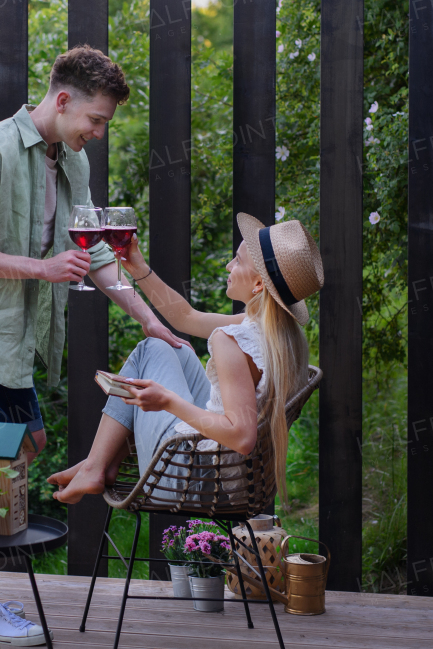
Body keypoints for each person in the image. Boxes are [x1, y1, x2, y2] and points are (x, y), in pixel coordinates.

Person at [0, 45, 189, 647]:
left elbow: (96, 254)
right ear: (62, 101)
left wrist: (148, 319)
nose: (99, 132)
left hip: (8, 329)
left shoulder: (71, 164)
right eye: (97, 119)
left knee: (26, 443)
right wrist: (40, 269)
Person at [48, 213, 322, 510]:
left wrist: (167, 401)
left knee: (149, 349)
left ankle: (95, 465)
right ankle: (100, 464)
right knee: (174, 348)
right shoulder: (282, 336)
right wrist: (139, 268)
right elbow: (185, 318)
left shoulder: (230, 341)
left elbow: (242, 437)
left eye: (238, 261)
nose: (229, 266)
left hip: (188, 477)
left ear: (258, 285)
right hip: (233, 475)